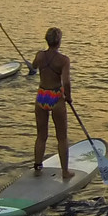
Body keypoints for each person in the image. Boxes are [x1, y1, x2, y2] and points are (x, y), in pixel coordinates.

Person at [31, 27, 73, 179]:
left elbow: (33, 67)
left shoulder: (40, 55)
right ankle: (65, 172)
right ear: (59, 41)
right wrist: (68, 96)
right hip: (56, 96)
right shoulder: (63, 60)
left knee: (41, 135)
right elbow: (66, 81)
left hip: (42, 95)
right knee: (62, 137)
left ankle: (37, 166)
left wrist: (31, 67)